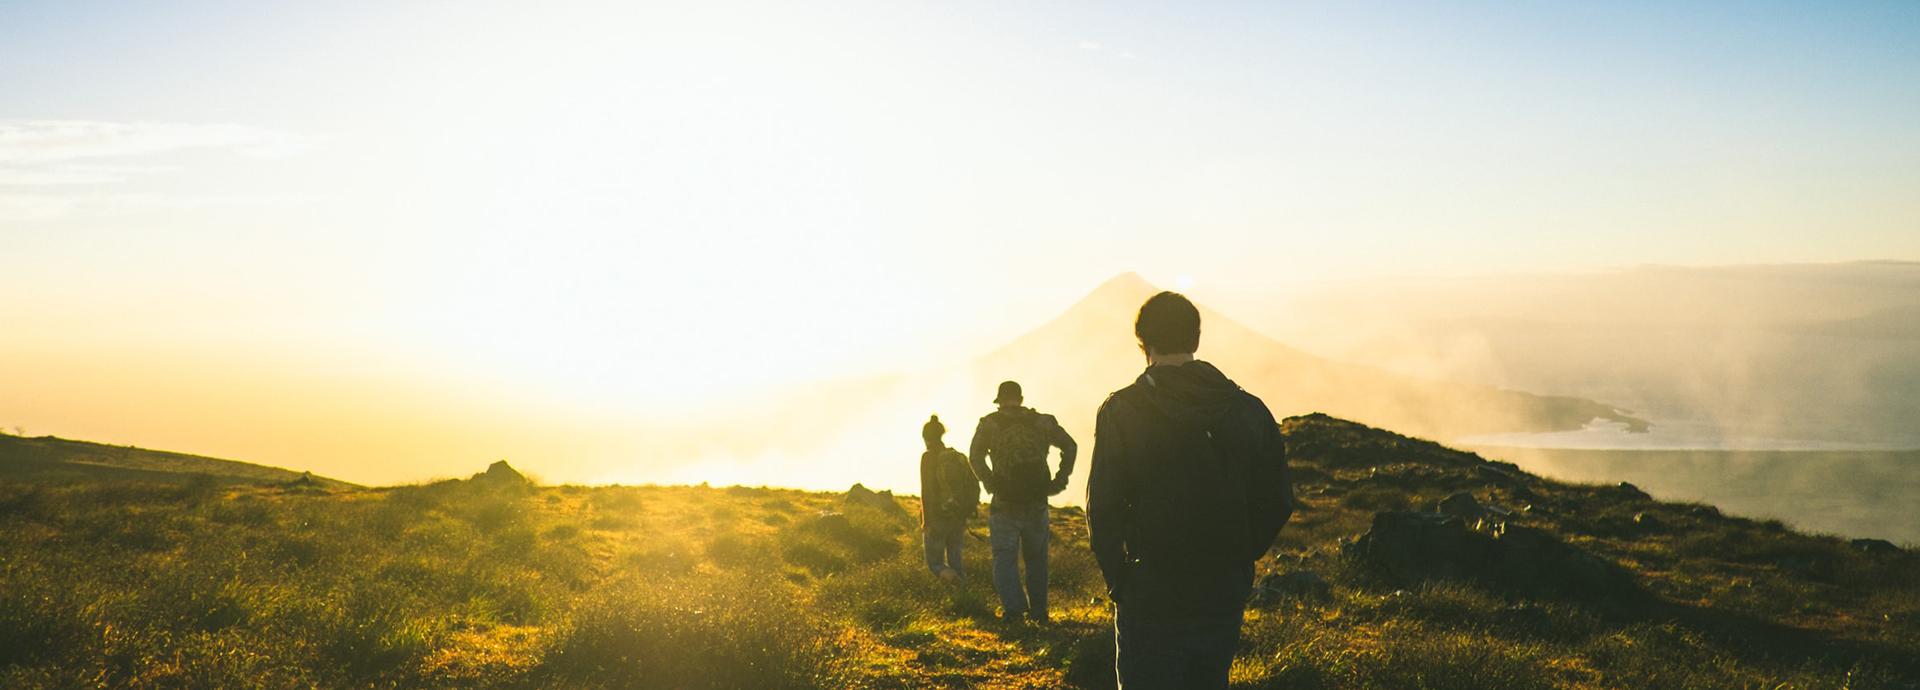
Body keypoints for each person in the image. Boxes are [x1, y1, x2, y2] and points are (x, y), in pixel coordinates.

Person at [1086, 291, 1294, 689]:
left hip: (1151, 594)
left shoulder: (1123, 411)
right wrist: (1238, 556)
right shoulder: (1248, 409)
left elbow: (1104, 508)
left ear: (1143, 344)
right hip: (1221, 592)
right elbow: (1278, 499)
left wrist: (1121, 582)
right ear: (1195, 340)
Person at [969, 380, 1077, 624]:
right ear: (1021, 398)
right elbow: (1070, 446)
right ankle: (1039, 613)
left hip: (1004, 501)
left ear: (1000, 400)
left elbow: (974, 456)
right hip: (1037, 500)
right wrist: (1059, 481)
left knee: (1004, 558)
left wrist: (990, 483)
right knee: (1037, 559)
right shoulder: (1042, 422)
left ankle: (1014, 612)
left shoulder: (989, 424)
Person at [919, 414, 979, 582]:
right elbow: (972, 483)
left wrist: (926, 521)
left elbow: (927, 491)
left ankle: (957, 584)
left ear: (925, 437)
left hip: (937, 517)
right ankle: (965, 597)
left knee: (935, 564)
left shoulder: (928, 457)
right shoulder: (957, 457)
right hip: (958, 516)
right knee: (956, 560)